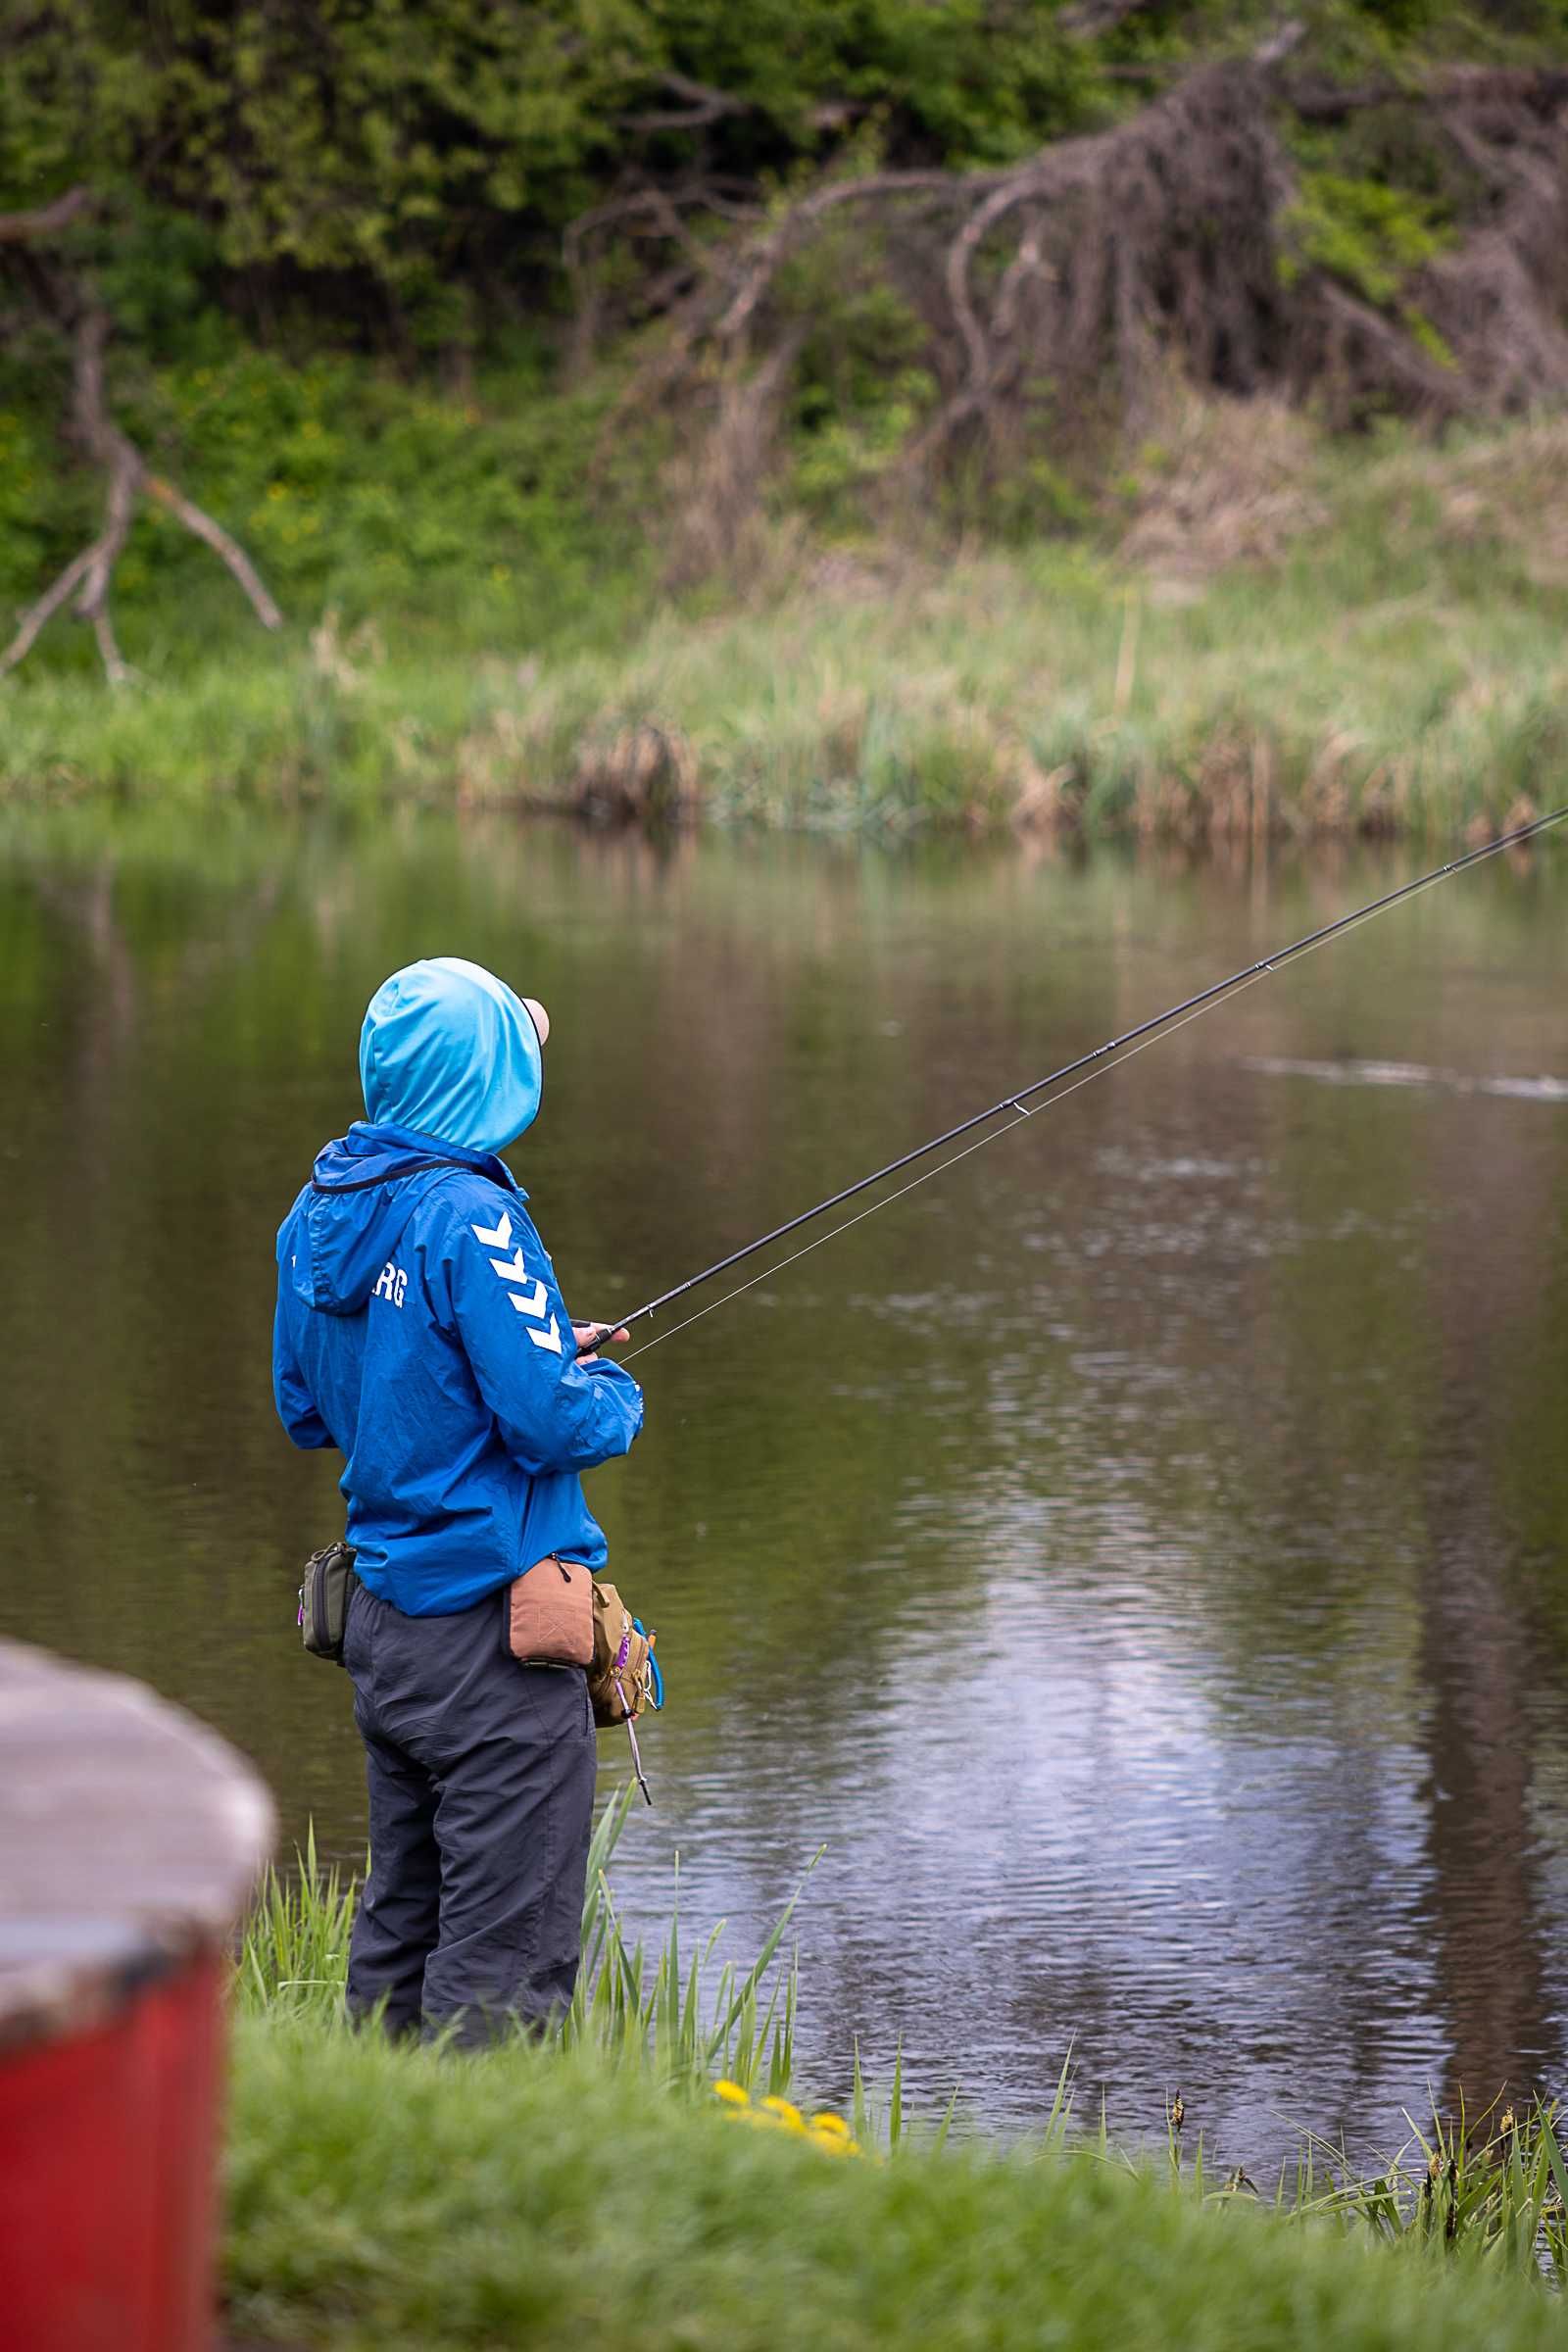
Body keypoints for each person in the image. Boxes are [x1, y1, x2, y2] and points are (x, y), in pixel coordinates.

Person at [272, 956, 643, 2043]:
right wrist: (605, 1388)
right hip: (493, 1648)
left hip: (386, 1632)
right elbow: (552, 1422)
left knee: (403, 1925)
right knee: (506, 1960)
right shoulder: (472, 1216)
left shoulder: (319, 1209)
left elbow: (309, 1403)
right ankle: (484, 2194)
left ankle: (377, 2145)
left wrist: (512, 1352)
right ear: (485, 1081)